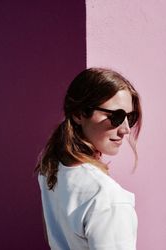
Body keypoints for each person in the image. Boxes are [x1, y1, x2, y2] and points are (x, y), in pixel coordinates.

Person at [35, 67, 142, 250]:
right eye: (115, 116)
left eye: (129, 117)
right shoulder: (107, 199)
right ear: (78, 114)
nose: (125, 129)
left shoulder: (51, 167)